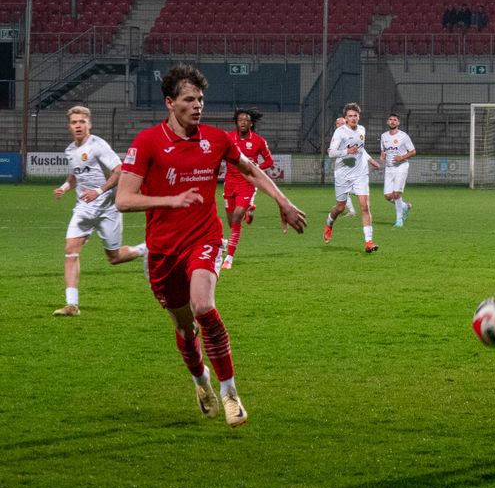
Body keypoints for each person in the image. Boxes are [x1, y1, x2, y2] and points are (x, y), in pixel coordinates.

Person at [116, 64, 307, 428]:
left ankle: (230, 393)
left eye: (201, 99)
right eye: (189, 99)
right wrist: (170, 201)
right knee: (186, 330)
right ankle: (200, 380)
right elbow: (123, 199)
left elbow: (250, 170)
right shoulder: (147, 142)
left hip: (203, 239)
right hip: (162, 251)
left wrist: (283, 201)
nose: (197, 105)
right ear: (170, 103)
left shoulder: (217, 139)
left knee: (203, 305)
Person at [53, 105, 147, 316]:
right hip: (84, 208)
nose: (78, 125)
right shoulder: (70, 150)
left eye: (82, 122)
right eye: (74, 122)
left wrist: (98, 190)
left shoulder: (98, 145)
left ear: (89, 124)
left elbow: (119, 171)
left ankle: (145, 249)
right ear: (69, 126)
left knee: (114, 257)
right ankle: (71, 305)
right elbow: (75, 174)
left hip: (107, 208)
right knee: (70, 249)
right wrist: (65, 187)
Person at [322, 102, 382, 252]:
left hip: (360, 173)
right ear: (346, 118)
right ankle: (329, 224)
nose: (353, 118)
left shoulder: (362, 129)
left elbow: (361, 149)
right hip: (343, 174)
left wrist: (370, 160)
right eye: (350, 116)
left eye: (355, 115)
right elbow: (331, 152)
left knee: (365, 206)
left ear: (359, 117)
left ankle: (369, 242)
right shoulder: (340, 132)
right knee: (340, 207)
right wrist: (347, 152)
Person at [221, 107, 274, 270]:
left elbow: (269, 161)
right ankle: (249, 210)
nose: (243, 122)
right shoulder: (228, 138)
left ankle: (229, 258)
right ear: (236, 122)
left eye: (246, 120)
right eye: (240, 120)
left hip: (248, 183)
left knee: (236, 218)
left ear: (251, 124)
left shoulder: (259, 141)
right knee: (231, 221)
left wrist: (257, 166)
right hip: (230, 183)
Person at [379, 113, 416, 227]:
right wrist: (381, 158)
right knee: (388, 196)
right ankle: (404, 206)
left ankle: (399, 220)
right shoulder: (383, 136)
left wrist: (402, 157)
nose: (392, 121)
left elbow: (413, 151)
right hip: (389, 167)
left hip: (401, 166)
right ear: (387, 122)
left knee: (396, 194)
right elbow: (383, 151)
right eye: (390, 119)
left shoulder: (403, 136)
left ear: (398, 123)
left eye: (395, 120)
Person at [335, 116, 356, 217]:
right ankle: (351, 210)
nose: (340, 125)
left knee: (345, 188)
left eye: (342, 123)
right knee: (344, 189)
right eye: (339, 124)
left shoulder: (350, 135)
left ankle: (359, 191)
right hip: (340, 164)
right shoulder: (337, 135)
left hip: (348, 164)